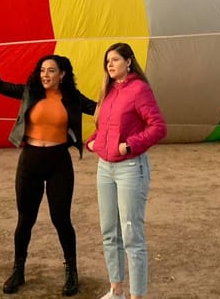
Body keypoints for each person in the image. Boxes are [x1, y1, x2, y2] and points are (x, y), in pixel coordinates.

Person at [0, 32, 97, 296]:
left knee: (61, 219)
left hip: (59, 163)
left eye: (51, 71)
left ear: (62, 74)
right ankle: (18, 270)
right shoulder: (29, 93)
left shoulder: (72, 98)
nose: (45, 75)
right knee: (25, 219)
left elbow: (101, 109)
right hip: (30, 161)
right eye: (42, 70)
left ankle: (71, 273)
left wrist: (125, 95)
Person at [87, 43, 167, 299]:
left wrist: (130, 145)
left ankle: (137, 296)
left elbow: (158, 127)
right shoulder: (108, 92)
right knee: (109, 232)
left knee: (132, 234)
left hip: (130, 169)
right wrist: (94, 141)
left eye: (115, 60)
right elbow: (105, 128)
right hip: (105, 169)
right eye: (107, 61)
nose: (110, 65)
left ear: (129, 62)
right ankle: (116, 291)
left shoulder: (138, 89)